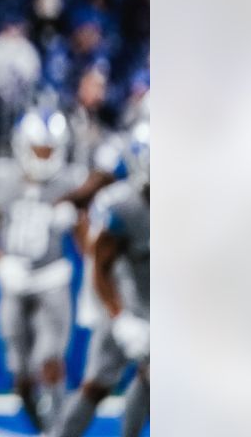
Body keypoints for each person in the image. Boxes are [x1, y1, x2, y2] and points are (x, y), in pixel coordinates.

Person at [0, 108, 82, 433]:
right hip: (14, 281)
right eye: (39, 148)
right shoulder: (1, 179)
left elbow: (92, 241)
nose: (44, 156)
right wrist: (1, 262)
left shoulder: (71, 183)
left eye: (50, 149)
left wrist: (79, 218)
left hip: (52, 278)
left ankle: (58, 428)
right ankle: (40, 425)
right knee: (19, 373)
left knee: (50, 359)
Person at [53, 118, 150, 437]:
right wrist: (121, 316)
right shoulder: (122, 205)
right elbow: (100, 266)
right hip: (126, 300)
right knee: (98, 385)